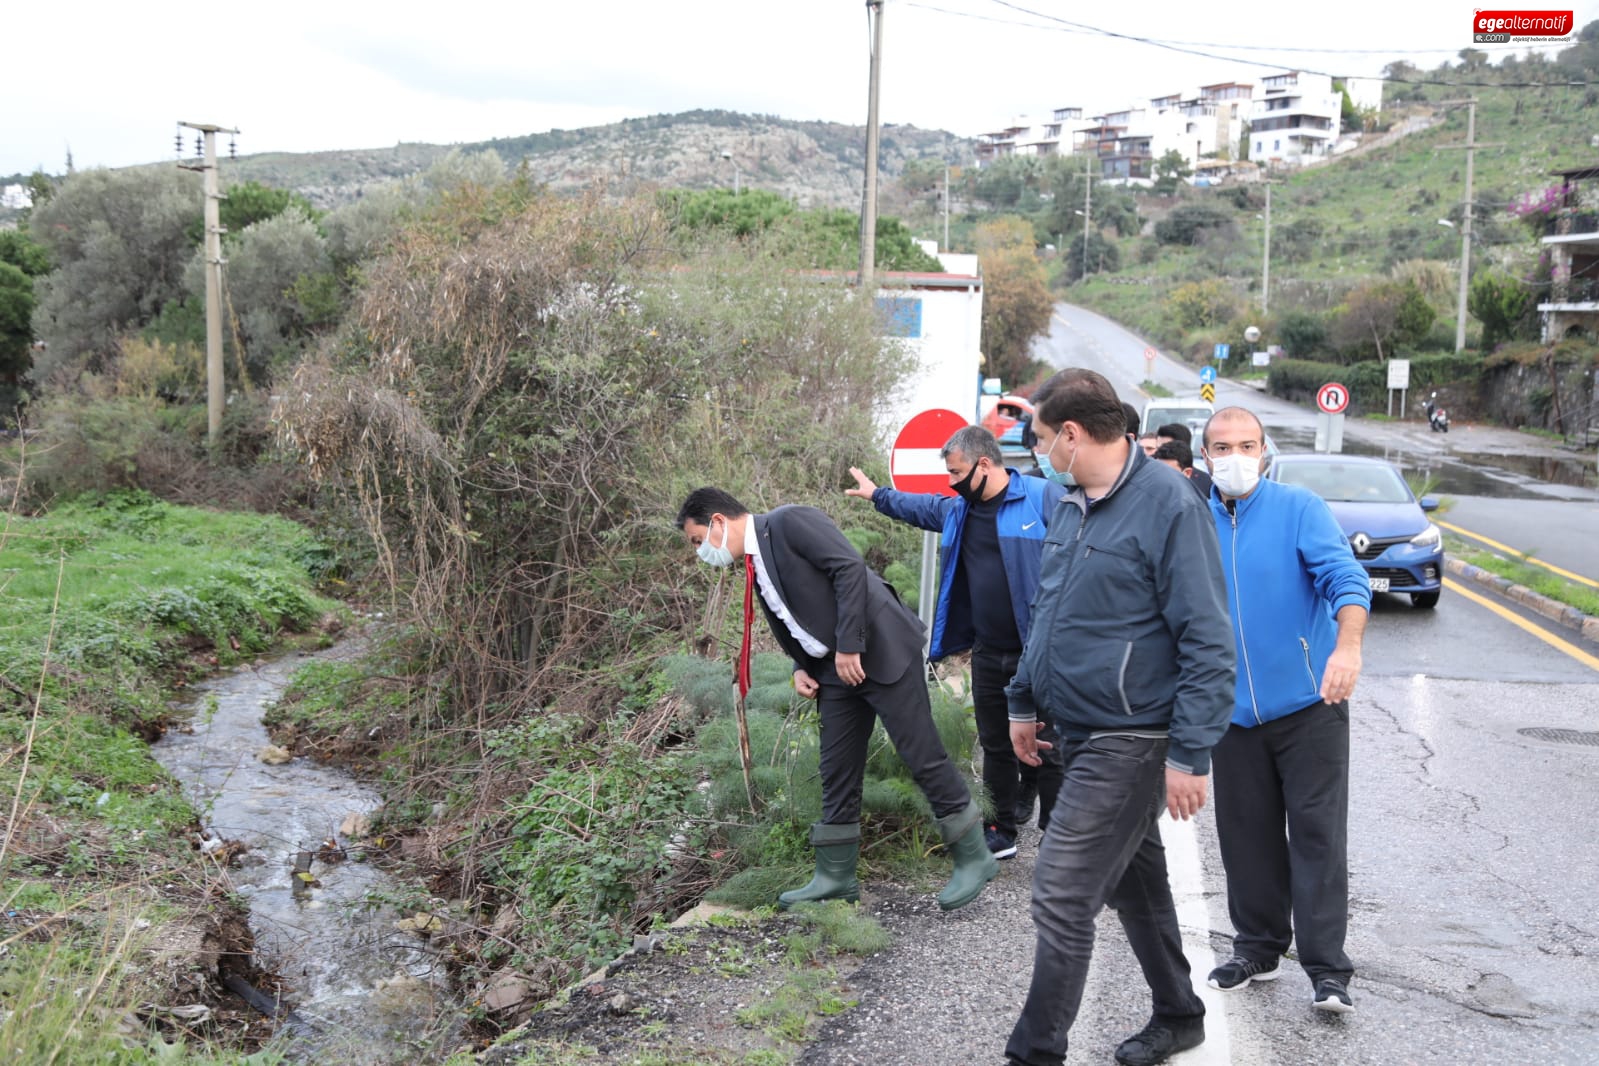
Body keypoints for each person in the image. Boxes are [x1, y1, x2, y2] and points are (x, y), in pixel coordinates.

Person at [1003, 369, 1236, 1066]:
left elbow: (1207, 638)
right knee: (1137, 887)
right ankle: (1179, 1013)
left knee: (1061, 893)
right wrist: (1021, 697)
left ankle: (1033, 1054)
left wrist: (1189, 753)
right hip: (1073, 729)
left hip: (1132, 737)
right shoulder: (1069, 502)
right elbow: (1048, 614)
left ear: (1071, 435)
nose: (1040, 453)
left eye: (1043, 439)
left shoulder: (1168, 504)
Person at [676, 487, 998, 912]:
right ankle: (835, 876)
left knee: (920, 752)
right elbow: (797, 615)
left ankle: (974, 856)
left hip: (879, 650)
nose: (702, 552)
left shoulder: (788, 522)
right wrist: (800, 666)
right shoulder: (755, 560)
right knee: (836, 767)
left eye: (698, 541)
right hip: (832, 669)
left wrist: (850, 645)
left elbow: (848, 568)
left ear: (718, 521)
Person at [1199, 407, 1371, 1014]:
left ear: (1265, 450)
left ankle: (1328, 971)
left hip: (1310, 705)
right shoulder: (1194, 521)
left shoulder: (1299, 508)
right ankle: (1258, 948)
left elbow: (1346, 580)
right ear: (1205, 456)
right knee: (1246, 836)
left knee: (1318, 838)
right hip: (1232, 713)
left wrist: (1346, 647)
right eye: (1223, 446)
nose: (1236, 456)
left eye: (1247, 444)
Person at [845, 425, 1066, 859]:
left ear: (984, 464)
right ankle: (1000, 829)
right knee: (996, 742)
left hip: (1040, 650)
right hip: (987, 650)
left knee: (1051, 744)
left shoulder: (1042, 499)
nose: (951, 481)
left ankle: (1060, 837)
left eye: (956, 472)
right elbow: (921, 507)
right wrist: (877, 495)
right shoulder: (960, 511)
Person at [1156, 423, 1213, 499]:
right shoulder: (1148, 478)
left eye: (1166, 446)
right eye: (1157, 447)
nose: (1159, 451)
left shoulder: (1206, 483)